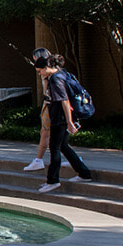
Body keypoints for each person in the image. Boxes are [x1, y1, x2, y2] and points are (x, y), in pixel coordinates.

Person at [34, 50, 94, 193]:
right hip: (61, 118)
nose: (39, 74)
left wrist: (69, 122)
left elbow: (65, 101)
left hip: (60, 119)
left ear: (47, 68)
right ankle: (84, 173)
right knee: (63, 146)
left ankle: (53, 181)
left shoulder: (56, 79)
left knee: (54, 148)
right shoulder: (63, 73)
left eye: (40, 71)